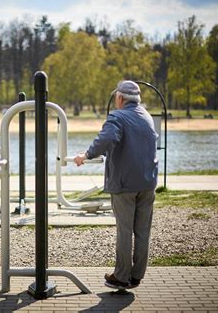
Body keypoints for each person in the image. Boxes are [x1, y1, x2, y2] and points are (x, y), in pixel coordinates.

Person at [74, 80, 158, 290]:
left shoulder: (118, 116)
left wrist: (86, 155)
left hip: (124, 184)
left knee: (125, 230)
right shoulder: (146, 116)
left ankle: (121, 276)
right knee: (142, 231)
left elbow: (106, 139)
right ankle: (136, 275)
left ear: (120, 98)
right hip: (147, 183)